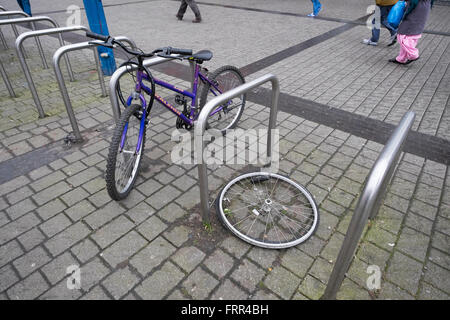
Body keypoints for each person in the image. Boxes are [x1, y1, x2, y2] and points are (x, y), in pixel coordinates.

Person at [389, 0, 434, 64]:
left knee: (402, 36)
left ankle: (413, 54)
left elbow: (410, 6)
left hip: (413, 18)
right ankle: (401, 58)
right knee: (412, 37)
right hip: (420, 18)